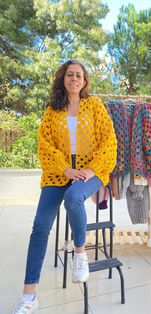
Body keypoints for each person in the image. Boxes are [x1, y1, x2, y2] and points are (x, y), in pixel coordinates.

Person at [11, 59, 117, 314]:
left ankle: (79, 252)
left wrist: (91, 169)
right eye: (70, 74)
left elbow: (109, 140)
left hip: (91, 171)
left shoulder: (94, 106)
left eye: (79, 75)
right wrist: (65, 169)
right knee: (39, 228)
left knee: (73, 197)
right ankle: (29, 297)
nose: (74, 78)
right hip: (58, 172)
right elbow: (44, 145)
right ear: (63, 78)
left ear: (84, 81)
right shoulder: (52, 109)